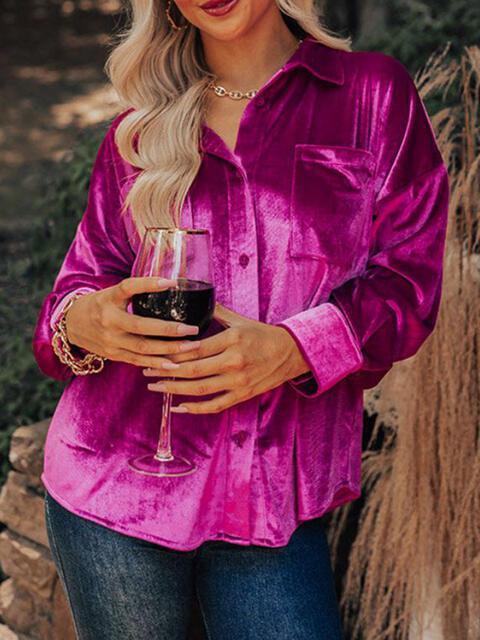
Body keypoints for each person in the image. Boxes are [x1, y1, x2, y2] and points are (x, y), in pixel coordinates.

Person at [32, 1, 450, 638]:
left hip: (272, 502)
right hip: (116, 490)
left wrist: (293, 348)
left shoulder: (372, 95)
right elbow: (78, 290)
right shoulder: (141, 129)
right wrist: (82, 320)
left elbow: (410, 283)